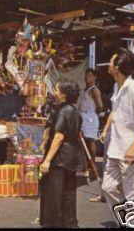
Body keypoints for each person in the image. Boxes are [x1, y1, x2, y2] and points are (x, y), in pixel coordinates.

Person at [101, 49, 134, 224]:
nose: (108, 64)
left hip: (130, 153)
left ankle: (132, 223)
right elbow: (114, 111)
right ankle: (126, 221)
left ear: (117, 67)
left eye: (111, 61)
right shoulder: (117, 87)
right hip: (115, 150)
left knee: (133, 195)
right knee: (107, 187)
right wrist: (106, 129)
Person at [39, 80, 83, 228]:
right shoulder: (73, 110)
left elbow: (59, 137)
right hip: (70, 158)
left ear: (64, 94)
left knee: (55, 195)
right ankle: (69, 223)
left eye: (57, 90)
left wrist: (47, 160)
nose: (55, 93)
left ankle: (54, 224)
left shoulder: (64, 111)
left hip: (59, 159)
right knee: (68, 194)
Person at [78, 68, 103, 180]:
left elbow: (100, 106)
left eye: (89, 76)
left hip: (90, 117)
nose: (87, 78)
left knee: (90, 140)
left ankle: (93, 167)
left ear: (94, 77)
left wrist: (93, 115)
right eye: (86, 75)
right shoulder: (85, 90)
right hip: (83, 117)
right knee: (83, 141)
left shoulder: (94, 90)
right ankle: (87, 165)